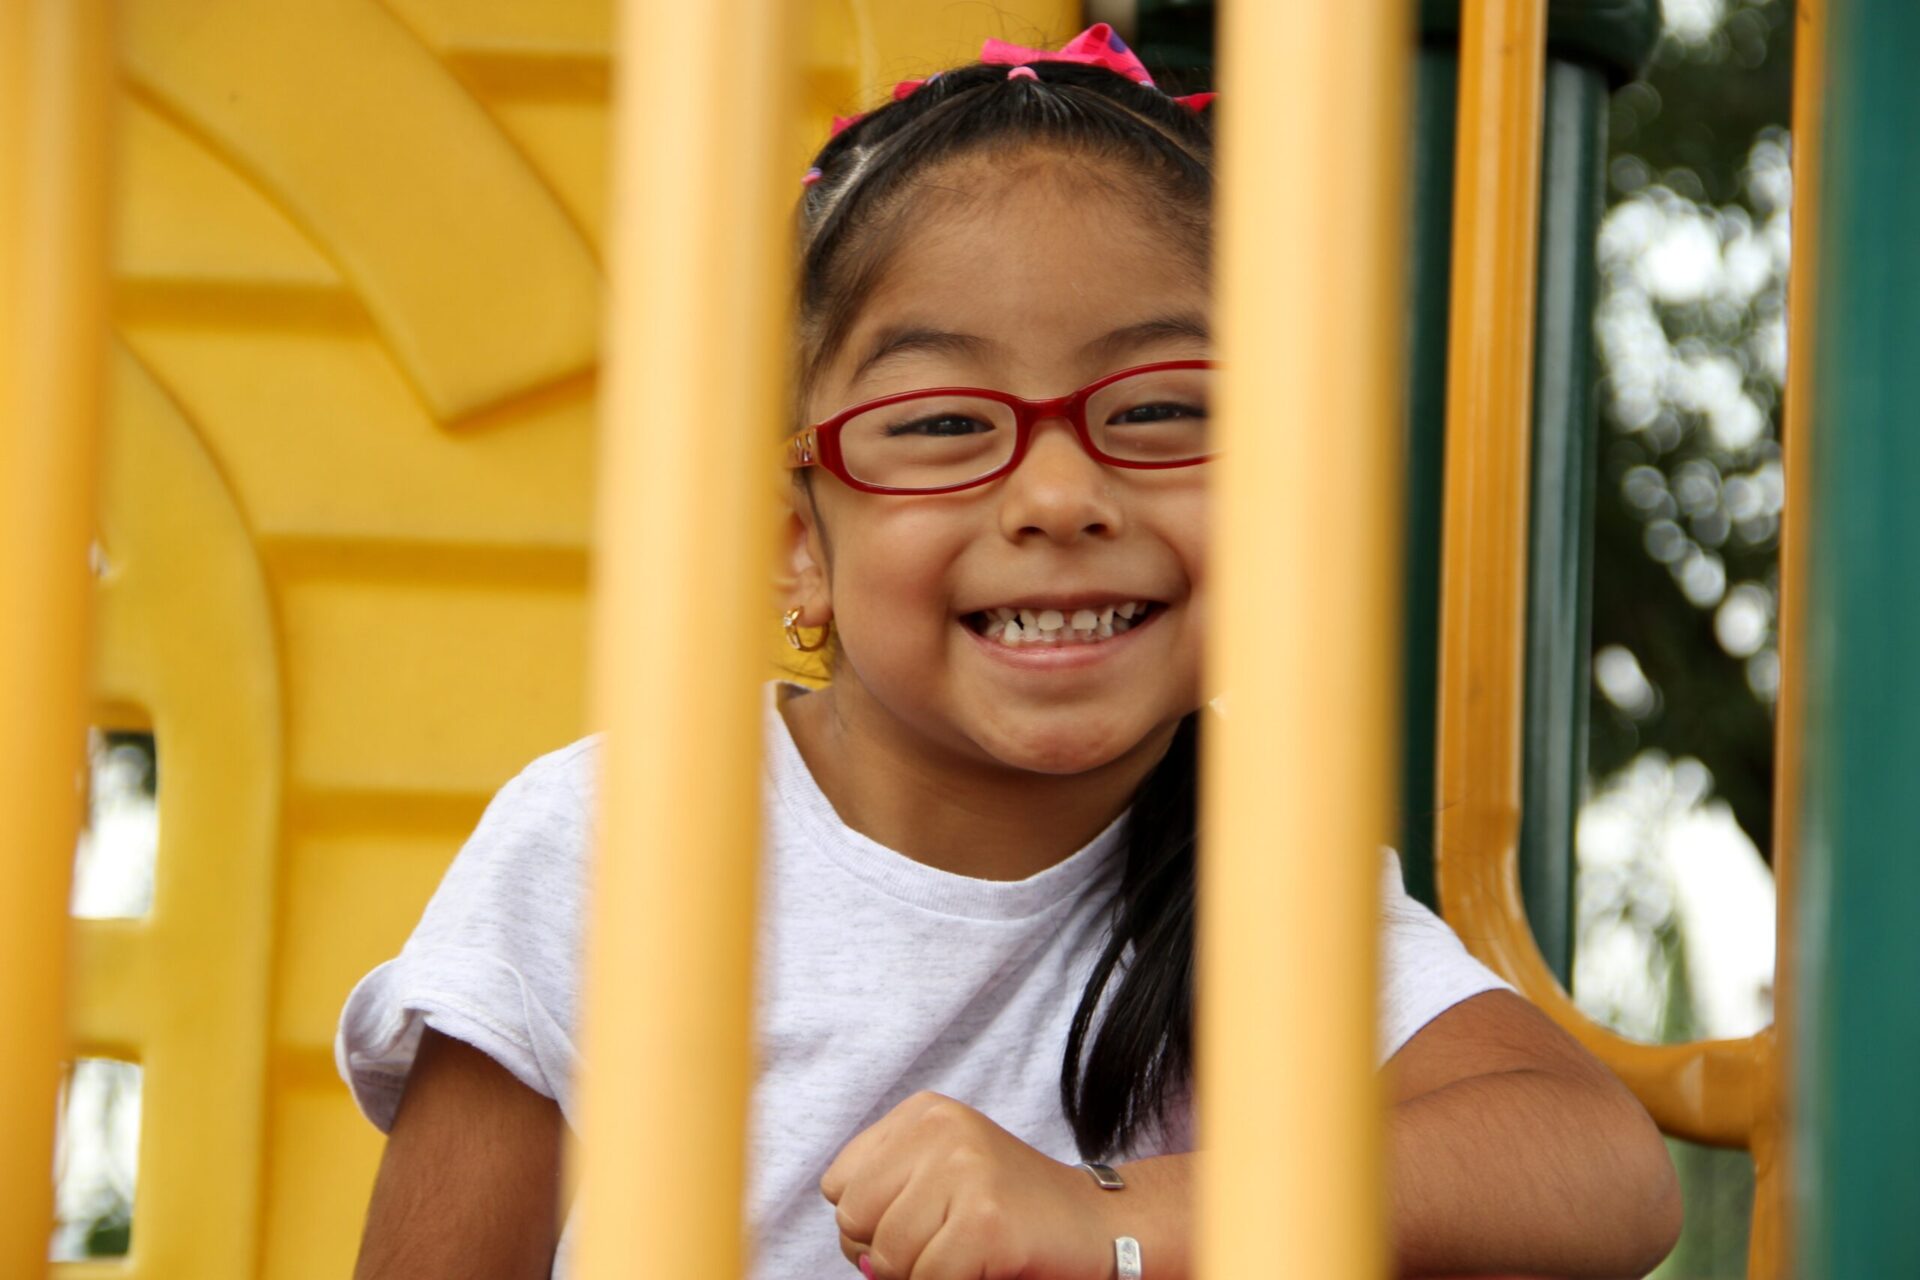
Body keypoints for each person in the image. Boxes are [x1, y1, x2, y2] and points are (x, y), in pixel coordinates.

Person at [335, 24, 1681, 1280]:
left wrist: (1112, 1218)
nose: (1056, 496)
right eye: (940, 426)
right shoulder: (616, 842)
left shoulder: (1254, 881)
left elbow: (1603, 1171)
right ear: (797, 542)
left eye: (1159, 408)